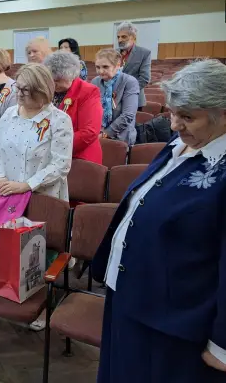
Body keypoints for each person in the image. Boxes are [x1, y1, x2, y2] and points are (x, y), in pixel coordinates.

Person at [93, 59, 226, 382]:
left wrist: (222, 343)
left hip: (175, 318)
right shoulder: (180, 143)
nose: (175, 124)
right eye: (172, 113)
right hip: (130, 293)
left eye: (188, 117)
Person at [0, 62, 73, 201]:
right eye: (17, 87)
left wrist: (26, 185)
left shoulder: (59, 120)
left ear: (41, 91)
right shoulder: (9, 114)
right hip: (6, 196)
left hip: (42, 199)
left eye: (25, 90)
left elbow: (60, 165)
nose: (19, 94)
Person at [44, 51, 103, 164]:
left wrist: (54, 146)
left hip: (79, 158)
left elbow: (89, 132)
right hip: (49, 156)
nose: (53, 84)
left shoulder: (88, 91)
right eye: (51, 79)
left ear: (71, 76)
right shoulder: (47, 90)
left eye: (57, 80)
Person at [92, 49, 139, 146]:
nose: (100, 71)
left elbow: (128, 115)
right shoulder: (95, 82)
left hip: (121, 137)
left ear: (118, 65)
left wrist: (106, 134)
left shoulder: (129, 81)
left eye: (105, 67)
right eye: (97, 67)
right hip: (97, 134)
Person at [116, 21, 151, 109]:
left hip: (134, 99)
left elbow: (144, 78)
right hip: (114, 99)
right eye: (118, 37)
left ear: (133, 37)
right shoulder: (113, 53)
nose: (120, 40)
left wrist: (125, 92)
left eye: (124, 37)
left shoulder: (144, 53)